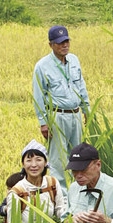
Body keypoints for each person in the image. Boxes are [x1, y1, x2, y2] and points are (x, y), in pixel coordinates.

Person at [33, 25, 90, 185]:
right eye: (59, 43)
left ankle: (77, 192)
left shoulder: (74, 60)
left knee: (78, 156)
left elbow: (81, 86)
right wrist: (43, 123)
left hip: (76, 115)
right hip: (57, 116)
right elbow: (38, 96)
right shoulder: (42, 66)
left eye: (66, 41)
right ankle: (62, 199)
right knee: (58, 160)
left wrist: (87, 110)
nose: (64, 45)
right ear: (51, 45)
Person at [0, 140, 68, 223]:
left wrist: (72, 219)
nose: (34, 165)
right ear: (23, 164)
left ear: (46, 162)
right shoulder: (17, 192)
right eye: (29, 160)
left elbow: (61, 211)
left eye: (38, 160)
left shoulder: (52, 184)